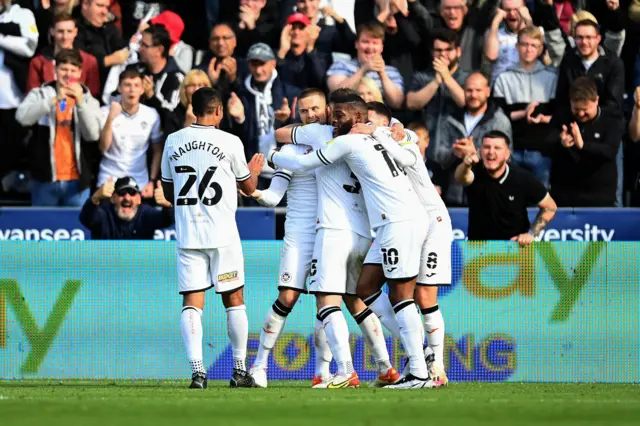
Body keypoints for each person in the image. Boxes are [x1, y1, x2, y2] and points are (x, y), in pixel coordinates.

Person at [270, 93, 433, 389]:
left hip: (397, 221)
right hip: (378, 226)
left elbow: (306, 163)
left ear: (357, 118)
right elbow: (409, 146)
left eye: (340, 115)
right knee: (366, 288)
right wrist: (397, 132)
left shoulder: (345, 141)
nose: (334, 120)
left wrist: (272, 156)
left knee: (398, 296)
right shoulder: (379, 134)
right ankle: (417, 358)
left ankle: (417, 371)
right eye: (334, 113)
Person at [248, 88, 398, 389]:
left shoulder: (326, 138)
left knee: (337, 300)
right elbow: (275, 189)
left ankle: (340, 370)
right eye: (303, 111)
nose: (310, 115)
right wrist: (254, 190)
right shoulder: (338, 138)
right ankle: (260, 366)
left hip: (331, 229)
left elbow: (280, 141)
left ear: (328, 110)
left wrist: (273, 157)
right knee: (297, 297)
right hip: (305, 233)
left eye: (315, 109)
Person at [160, 87, 264, 389]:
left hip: (188, 233)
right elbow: (247, 188)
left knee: (192, 302)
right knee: (234, 300)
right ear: (218, 111)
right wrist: (254, 171)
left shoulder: (173, 141)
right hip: (222, 234)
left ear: (193, 110)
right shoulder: (230, 141)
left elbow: (169, 192)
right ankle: (239, 370)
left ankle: (197, 373)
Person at [350, 105, 453, 387]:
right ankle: (422, 352)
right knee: (366, 287)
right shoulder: (368, 147)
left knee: (423, 295)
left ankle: (437, 368)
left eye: (372, 122)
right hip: (397, 223)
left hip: (432, 220)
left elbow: (409, 139)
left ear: (387, 123)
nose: (365, 126)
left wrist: (392, 131)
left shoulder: (400, 138)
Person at [15, 48, 102, 207]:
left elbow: (92, 135)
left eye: (73, 70)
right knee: (42, 228)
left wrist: (80, 102)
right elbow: (22, 118)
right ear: (55, 69)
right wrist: (53, 100)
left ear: (80, 73)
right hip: (45, 179)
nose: (68, 74)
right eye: (63, 69)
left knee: (77, 230)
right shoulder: (40, 94)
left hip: (77, 182)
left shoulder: (90, 100)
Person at [454, 130, 557, 242]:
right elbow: (462, 178)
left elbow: (550, 207)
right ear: (481, 151)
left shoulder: (522, 178)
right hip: (479, 250)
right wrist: (466, 164)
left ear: (507, 154)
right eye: (487, 147)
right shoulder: (473, 171)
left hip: (515, 249)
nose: (491, 152)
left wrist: (531, 234)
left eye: (497, 148)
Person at [492, 26, 557, 187]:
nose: (529, 49)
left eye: (534, 45)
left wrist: (544, 118)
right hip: (512, 151)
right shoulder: (504, 79)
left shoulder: (551, 78)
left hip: (541, 152)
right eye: (524, 44)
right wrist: (523, 113)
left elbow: (558, 114)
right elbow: (498, 116)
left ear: (541, 48)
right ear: (517, 46)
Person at [545, 77, 623, 207]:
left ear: (596, 100)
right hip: (565, 194)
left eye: (585, 109)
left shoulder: (611, 119)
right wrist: (561, 142)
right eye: (576, 109)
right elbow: (545, 145)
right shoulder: (562, 116)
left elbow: (610, 151)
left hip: (600, 195)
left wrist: (583, 146)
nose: (581, 114)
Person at [98, 69, 163, 198]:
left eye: (136, 85)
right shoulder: (104, 112)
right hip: (109, 178)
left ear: (142, 89)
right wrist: (110, 118)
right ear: (119, 88)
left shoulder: (151, 115)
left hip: (140, 181)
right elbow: (103, 147)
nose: (132, 90)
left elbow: (157, 150)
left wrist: (152, 181)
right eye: (127, 85)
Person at [326, 21, 404, 108]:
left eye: (375, 43)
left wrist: (382, 74)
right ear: (356, 44)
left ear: (382, 47)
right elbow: (336, 96)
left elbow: (397, 103)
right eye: (365, 42)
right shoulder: (341, 65)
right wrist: (363, 69)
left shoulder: (392, 71)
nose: (370, 47)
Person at [27, 13, 100, 98]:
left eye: (69, 31)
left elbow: (93, 95)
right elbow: (32, 96)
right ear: (52, 32)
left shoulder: (89, 61)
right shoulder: (38, 62)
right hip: (47, 108)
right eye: (60, 31)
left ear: (75, 32)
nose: (65, 37)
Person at [79, 176, 174, 239]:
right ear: (113, 198)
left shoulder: (146, 214)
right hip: (107, 267)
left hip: (138, 267)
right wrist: (96, 197)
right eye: (122, 193)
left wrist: (167, 204)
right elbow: (86, 218)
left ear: (139, 199)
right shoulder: (104, 214)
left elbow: (168, 220)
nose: (127, 198)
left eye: (132, 193)